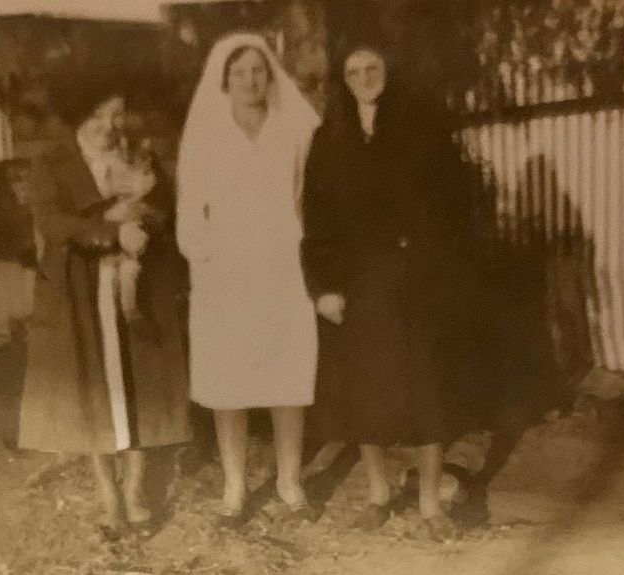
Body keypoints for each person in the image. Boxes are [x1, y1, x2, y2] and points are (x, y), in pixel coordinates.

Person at [300, 38, 464, 542]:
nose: (364, 78)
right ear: (342, 81)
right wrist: (324, 286)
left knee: (426, 388)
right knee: (364, 391)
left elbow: (452, 205)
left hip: (416, 280)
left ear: (389, 71)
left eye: (373, 67)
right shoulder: (330, 139)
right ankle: (377, 493)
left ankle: (431, 503)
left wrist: (435, 266)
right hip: (358, 284)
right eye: (353, 71)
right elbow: (318, 218)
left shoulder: (423, 129)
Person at [18, 89, 192, 539]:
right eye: (98, 116)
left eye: (116, 115)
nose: (108, 126)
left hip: (137, 283)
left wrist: (145, 223)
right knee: (94, 384)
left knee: (138, 381)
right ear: (78, 118)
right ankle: (107, 496)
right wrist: (111, 232)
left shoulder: (138, 156)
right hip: (80, 285)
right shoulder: (53, 164)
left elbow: (166, 210)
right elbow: (53, 224)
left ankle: (134, 491)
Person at [176, 32, 321, 526]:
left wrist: (308, 251)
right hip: (227, 271)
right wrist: (203, 255)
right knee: (228, 379)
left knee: (288, 375)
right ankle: (235, 488)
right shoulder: (206, 133)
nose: (249, 80)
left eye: (258, 70)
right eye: (238, 72)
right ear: (224, 79)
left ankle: (289, 481)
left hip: (284, 264)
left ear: (270, 75)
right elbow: (189, 205)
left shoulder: (294, 128)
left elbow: (311, 195)